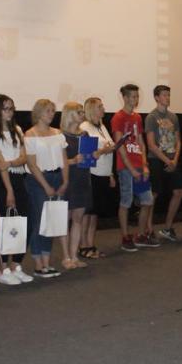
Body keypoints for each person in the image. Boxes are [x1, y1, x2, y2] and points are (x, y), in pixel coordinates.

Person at [0, 94, 34, 286]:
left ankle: (16, 265)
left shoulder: (17, 130)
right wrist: (9, 190)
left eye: (12, 108)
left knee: (26, 221)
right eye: (5, 108)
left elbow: (23, 158)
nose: (10, 112)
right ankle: (3, 270)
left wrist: (11, 163)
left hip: (18, 176)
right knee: (5, 223)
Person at [24, 99, 69, 278]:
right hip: (38, 180)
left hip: (57, 178)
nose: (51, 114)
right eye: (48, 111)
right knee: (39, 221)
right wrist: (46, 186)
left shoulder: (58, 133)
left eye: (53, 111)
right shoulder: (30, 134)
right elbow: (32, 164)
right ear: (39, 112)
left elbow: (64, 159)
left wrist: (65, 181)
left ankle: (47, 262)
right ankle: (38, 264)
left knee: (52, 221)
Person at [111, 84, 158, 251]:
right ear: (125, 98)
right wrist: (130, 169)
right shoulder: (118, 117)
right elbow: (119, 145)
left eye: (137, 96)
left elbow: (141, 142)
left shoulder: (137, 117)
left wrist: (144, 165)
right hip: (126, 167)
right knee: (126, 201)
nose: (135, 99)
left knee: (147, 200)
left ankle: (140, 234)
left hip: (139, 165)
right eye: (132, 96)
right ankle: (125, 236)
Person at [145, 85, 182, 242]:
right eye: (164, 95)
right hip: (157, 159)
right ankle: (149, 229)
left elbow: (178, 141)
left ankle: (168, 227)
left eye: (168, 95)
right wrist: (167, 160)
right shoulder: (151, 117)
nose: (167, 98)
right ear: (156, 97)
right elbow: (151, 145)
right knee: (153, 194)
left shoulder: (173, 117)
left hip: (172, 159)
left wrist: (174, 160)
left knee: (179, 192)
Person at [79, 97, 116, 260]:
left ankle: (91, 244)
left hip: (103, 174)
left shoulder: (101, 126)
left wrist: (111, 174)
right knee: (86, 213)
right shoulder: (84, 127)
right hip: (91, 174)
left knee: (95, 214)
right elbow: (87, 155)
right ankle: (83, 246)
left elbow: (109, 146)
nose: (103, 109)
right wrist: (103, 151)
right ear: (91, 109)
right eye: (100, 106)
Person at [60, 101, 92, 270]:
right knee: (64, 220)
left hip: (82, 179)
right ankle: (66, 257)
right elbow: (56, 161)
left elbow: (88, 157)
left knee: (78, 219)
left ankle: (74, 255)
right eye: (79, 112)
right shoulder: (60, 136)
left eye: (82, 112)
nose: (83, 115)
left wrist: (93, 155)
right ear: (70, 114)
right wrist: (73, 160)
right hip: (67, 180)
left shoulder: (85, 134)